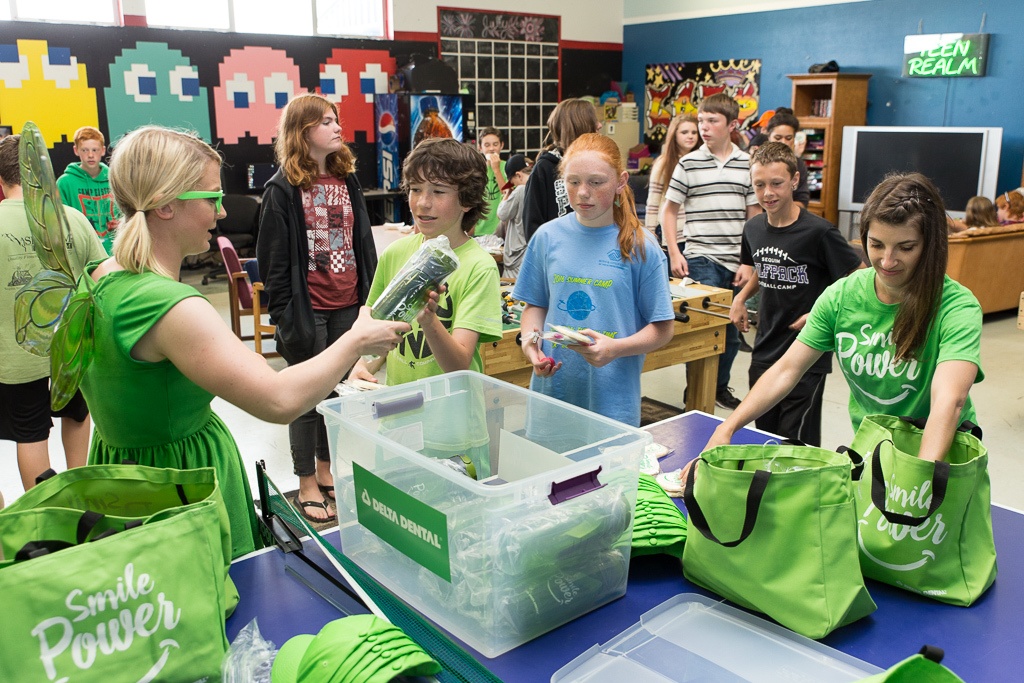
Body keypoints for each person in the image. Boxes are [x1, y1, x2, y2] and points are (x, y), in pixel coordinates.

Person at [79, 125, 409, 557]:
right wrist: (355, 342)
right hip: (179, 489)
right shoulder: (173, 308)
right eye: (211, 198)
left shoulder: (102, 277)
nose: (220, 213)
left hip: (124, 476)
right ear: (165, 205)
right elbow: (278, 399)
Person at [703, 172, 983, 463]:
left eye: (906, 247)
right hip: (875, 453)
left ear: (930, 245)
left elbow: (949, 401)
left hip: (942, 460)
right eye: (876, 245)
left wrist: (922, 476)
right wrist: (729, 427)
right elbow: (787, 369)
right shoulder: (842, 296)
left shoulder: (956, 307)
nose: (887, 261)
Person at [257, 93, 380, 523]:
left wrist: (369, 298)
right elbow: (274, 265)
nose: (336, 127)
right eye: (325, 122)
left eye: (335, 120)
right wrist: (286, 317)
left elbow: (361, 243)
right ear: (302, 131)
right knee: (306, 399)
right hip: (309, 311)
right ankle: (306, 480)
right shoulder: (282, 189)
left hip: (348, 305)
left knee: (337, 396)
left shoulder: (347, 181)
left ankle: (327, 470)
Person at [350, 138, 502, 477]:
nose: (422, 203)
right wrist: (363, 363)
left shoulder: (478, 266)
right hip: (398, 421)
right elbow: (379, 329)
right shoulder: (396, 254)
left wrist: (429, 320)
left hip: (455, 430)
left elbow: (459, 364)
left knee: (459, 522)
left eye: (438, 191)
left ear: (467, 200)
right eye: (416, 189)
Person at [514, 133, 675, 427]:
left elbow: (663, 329)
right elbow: (535, 305)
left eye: (596, 182)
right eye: (573, 182)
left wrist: (615, 349)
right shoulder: (547, 237)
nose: (583, 192)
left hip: (612, 403)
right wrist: (531, 346)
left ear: (621, 181)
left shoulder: (641, 246)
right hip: (552, 397)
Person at [729, 142, 862, 445]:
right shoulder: (753, 229)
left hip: (808, 350)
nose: (767, 193)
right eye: (759, 185)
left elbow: (858, 278)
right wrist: (740, 298)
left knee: (795, 439)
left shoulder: (819, 232)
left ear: (795, 181)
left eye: (776, 183)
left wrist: (820, 314)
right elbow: (765, 268)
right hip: (766, 346)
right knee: (763, 431)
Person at [0, 134, 106, 491]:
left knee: (31, 433)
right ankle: (80, 491)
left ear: (0, 179)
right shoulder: (71, 218)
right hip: (72, 345)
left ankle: (48, 511)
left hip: (16, 355)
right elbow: (104, 282)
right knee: (77, 414)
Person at [659, 93, 761, 410]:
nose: (704, 127)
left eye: (712, 121)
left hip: (737, 261)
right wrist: (675, 252)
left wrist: (749, 261)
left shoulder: (748, 164)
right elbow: (669, 211)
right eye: (701, 120)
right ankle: (697, 393)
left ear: (732, 124)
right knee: (707, 331)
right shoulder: (688, 163)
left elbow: (754, 215)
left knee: (732, 333)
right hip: (701, 256)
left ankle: (716, 387)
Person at [523, 98, 601, 241]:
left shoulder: (600, 166)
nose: (600, 125)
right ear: (580, 126)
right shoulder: (545, 168)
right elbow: (532, 227)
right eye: (594, 121)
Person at [56, 126, 118, 254]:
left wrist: (121, 224)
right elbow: (60, 221)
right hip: (82, 251)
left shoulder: (115, 178)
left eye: (95, 150)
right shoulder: (64, 183)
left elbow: (127, 214)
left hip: (115, 250)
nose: (90, 155)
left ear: (103, 150)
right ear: (76, 150)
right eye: (85, 150)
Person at [644, 114, 700, 252]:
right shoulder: (664, 163)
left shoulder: (700, 161)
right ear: (674, 135)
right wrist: (650, 233)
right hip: (671, 234)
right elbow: (653, 202)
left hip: (694, 235)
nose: (690, 136)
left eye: (694, 132)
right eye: (684, 132)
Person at [764, 107, 810, 208]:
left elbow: (802, 201)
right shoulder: (758, 163)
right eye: (778, 138)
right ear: (769, 137)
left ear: (794, 139)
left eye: (788, 138)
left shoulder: (798, 165)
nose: (783, 142)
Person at [497, 153, 532, 279]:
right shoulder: (538, 185)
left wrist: (507, 195)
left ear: (518, 175)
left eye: (513, 182)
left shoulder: (520, 190)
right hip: (531, 251)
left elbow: (502, 214)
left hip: (517, 256)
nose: (513, 186)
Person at [473, 126, 506, 236]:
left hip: (500, 230)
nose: (491, 148)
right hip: (478, 230)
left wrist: (496, 169)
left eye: (495, 144)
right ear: (480, 148)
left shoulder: (508, 168)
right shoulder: (475, 170)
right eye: (487, 145)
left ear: (502, 145)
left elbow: (508, 193)